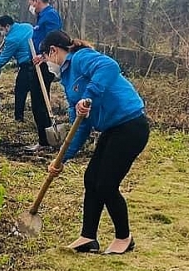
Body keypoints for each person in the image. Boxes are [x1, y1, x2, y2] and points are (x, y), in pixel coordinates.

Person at [41, 30, 149, 255]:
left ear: (53, 50)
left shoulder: (80, 58)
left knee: (106, 184)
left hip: (131, 125)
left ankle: (124, 238)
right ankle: (88, 237)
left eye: (45, 57)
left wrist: (88, 96)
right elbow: (79, 126)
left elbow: (109, 67)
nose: (46, 63)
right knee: (91, 179)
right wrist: (62, 158)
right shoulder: (67, 79)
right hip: (112, 129)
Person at [27, 0, 63, 150]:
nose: (31, 6)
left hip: (44, 65)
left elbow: (54, 40)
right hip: (38, 64)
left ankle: (45, 141)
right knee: (38, 101)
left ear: (37, 1)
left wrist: (43, 56)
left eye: (31, 2)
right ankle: (45, 139)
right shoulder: (42, 16)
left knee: (39, 102)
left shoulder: (50, 16)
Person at [0, 15, 35, 125]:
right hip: (38, 62)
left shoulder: (12, 39)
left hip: (26, 65)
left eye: (1, 29)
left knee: (20, 91)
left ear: (7, 26)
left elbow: (4, 59)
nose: (1, 32)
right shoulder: (27, 26)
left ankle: (19, 118)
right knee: (37, 92)